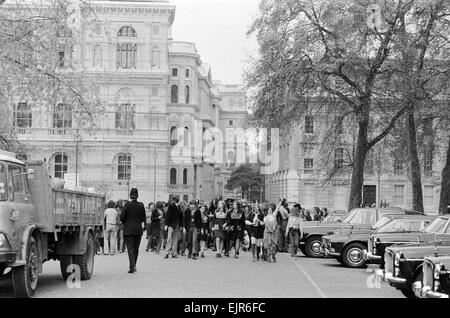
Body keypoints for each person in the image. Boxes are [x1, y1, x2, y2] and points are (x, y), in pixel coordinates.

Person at [120, 188, 146, 274]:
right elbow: (143, 218)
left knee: (130, 248)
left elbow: (122, 218)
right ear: (137, 195)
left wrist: (126, 223)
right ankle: (134, 265)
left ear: (130, 196)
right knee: (136, 248)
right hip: (138, 229)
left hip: (128, 229)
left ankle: (132, 266)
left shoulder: (127, 205)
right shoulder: (141, 205)